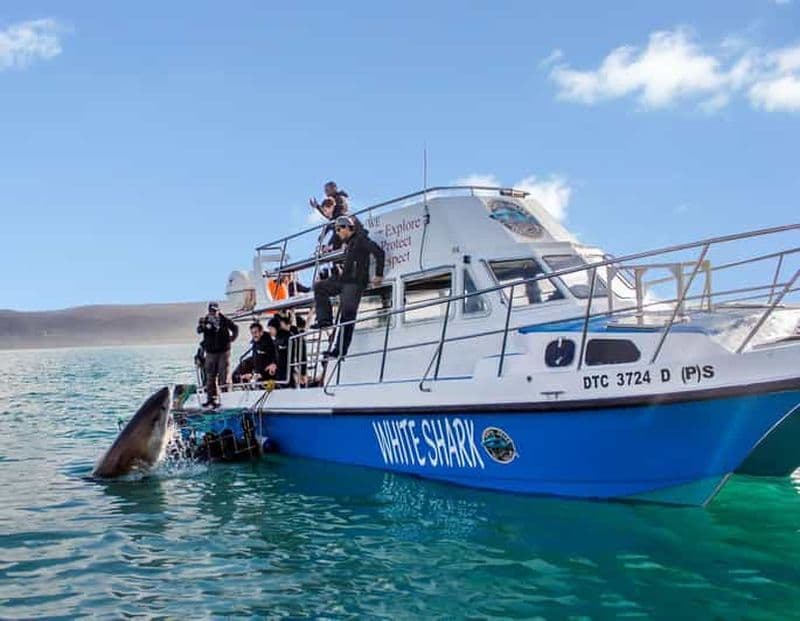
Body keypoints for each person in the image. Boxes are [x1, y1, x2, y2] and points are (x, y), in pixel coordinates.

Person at [311, 215, 385, 358]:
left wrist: (379, 274)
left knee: (347, 317)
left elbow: (379, 252)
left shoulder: (362, 240)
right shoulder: (350, 242)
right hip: (345, 279)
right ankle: (324, 320)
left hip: (355, 283)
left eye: (339, 230)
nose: (338, 233)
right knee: (319, 287)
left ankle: (339, 351)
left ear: (346, 228)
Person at [197, 302, 239, 407]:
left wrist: (231, 339)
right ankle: (211, 398)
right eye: (211, 311)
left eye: (215, 311)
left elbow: (235, 328)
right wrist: (203, 325)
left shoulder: (224, 320)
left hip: (223, 351)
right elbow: (199, 330)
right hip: (211, 352)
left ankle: (226, 398)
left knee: (223, 374)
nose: (213, 313)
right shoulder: (205, 320)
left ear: (218, 310)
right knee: (210, 376)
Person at [267, 314, 293, 387]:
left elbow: (285, 355)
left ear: (276, 328)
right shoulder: (276, 340)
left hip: (287, 370)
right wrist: (274, 364)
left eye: (271, 329)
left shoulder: (287, 337)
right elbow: (276, 355)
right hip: (281, 371)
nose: (270, 331)